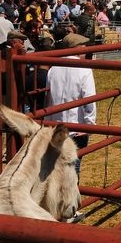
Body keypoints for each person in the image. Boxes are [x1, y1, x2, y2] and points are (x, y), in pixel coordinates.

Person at [45, 33, 96, 179]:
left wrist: (49, 121)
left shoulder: (53, 68)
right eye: (84, 47)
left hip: (56, 125)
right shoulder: (84, 69)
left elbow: (48, 98)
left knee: (56, 166)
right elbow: (89, 100)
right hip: (76, 127)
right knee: (74, 167)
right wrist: (89, 124)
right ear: (78, 48)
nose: (86, 50)